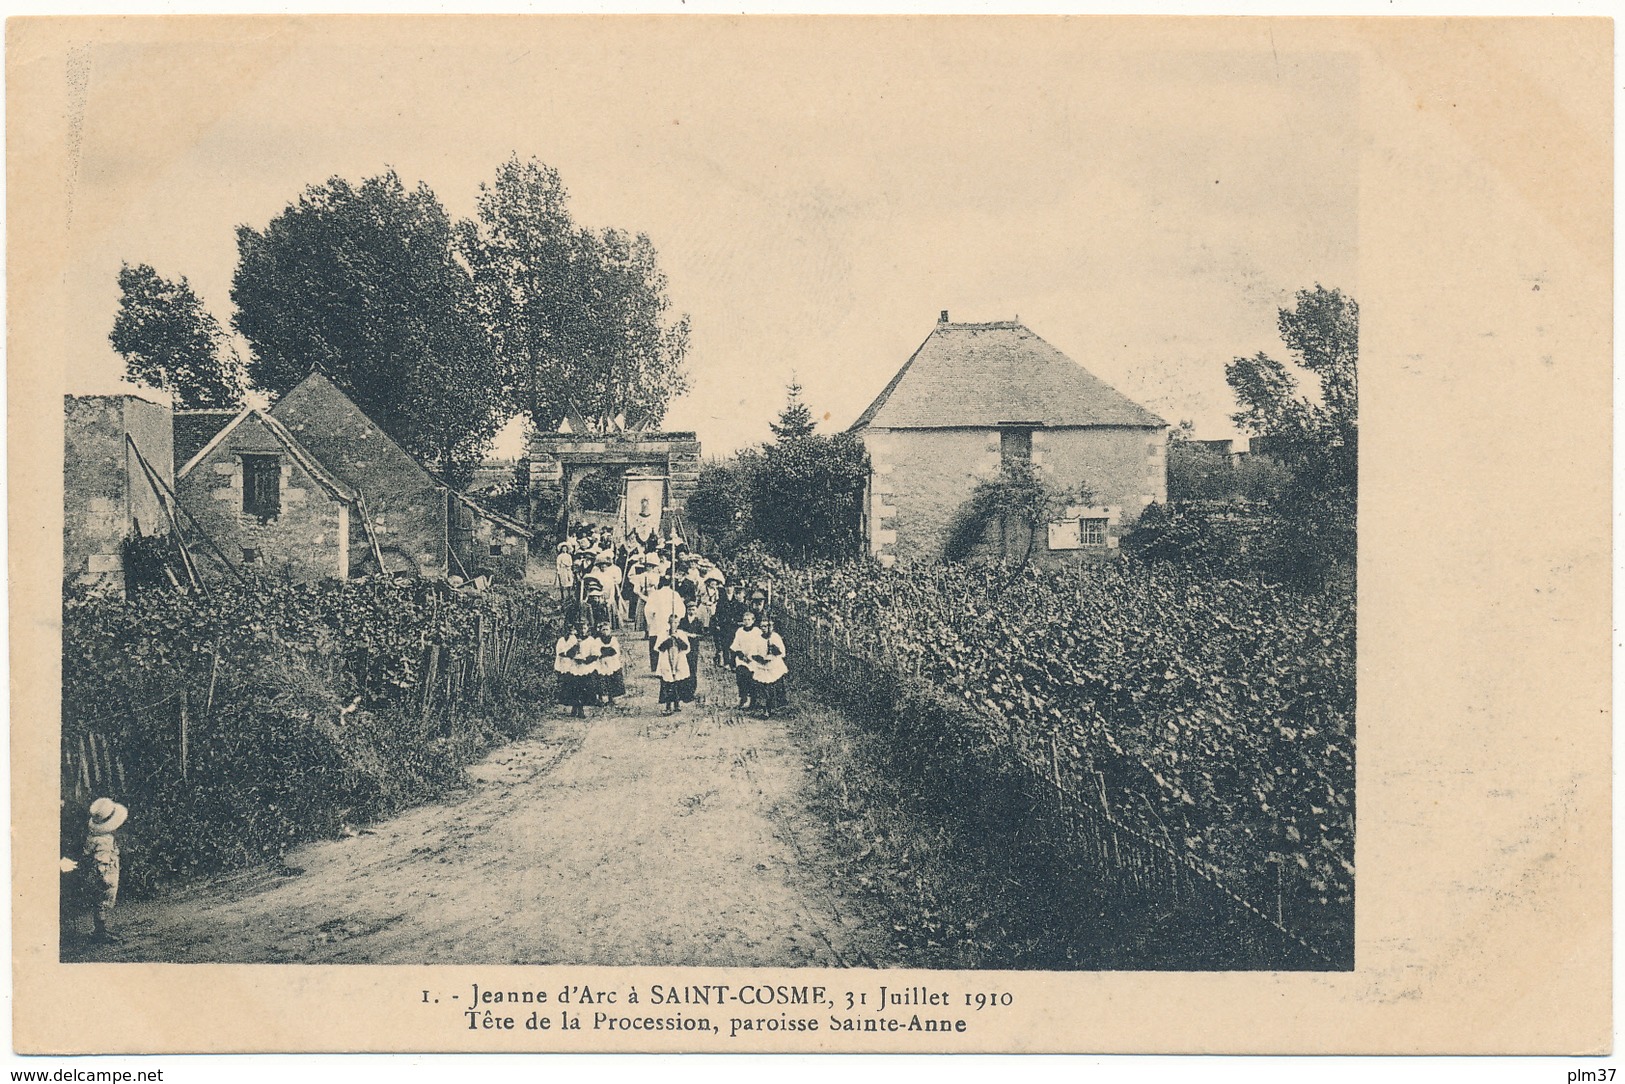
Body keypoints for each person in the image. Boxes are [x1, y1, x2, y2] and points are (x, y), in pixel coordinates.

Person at [81, 797, 128, 944]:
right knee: (102, 900)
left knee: (99, 902)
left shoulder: (93, 837)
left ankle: (100, 929)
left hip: (96, 871)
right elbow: (101, 860)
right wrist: (104, 878)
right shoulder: (105, 840)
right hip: (105, 873)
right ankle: (100, 932)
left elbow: (87, 852)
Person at [554, 615, 599, 718]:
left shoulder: (591, 640)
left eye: (584, 628)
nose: (582, 631)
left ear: (588, 629)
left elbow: (595, 654)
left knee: (584, 688)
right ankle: (574, 708)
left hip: (585, 667)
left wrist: (586, 660)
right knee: (574, 688)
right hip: (574, 666)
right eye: (580, 628)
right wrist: (575, 647)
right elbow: (568, 653)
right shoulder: (573, 640)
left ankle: (581, 709)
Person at [750, 616, 789, 717]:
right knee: (763, 687)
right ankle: (765, 709)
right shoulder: (757, 638)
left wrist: (775, 650)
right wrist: (760, 659)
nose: (764, 628)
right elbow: (753, 652)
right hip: (762, 666)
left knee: (775, 686)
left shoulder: (775, 637)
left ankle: (776, 708)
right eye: (762, 626)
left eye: (766, 626)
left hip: (774, 665)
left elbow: (782, 653)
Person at [653, 613, 692, 715]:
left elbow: (686, 648)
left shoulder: (681, 633)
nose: (673, 625)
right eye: (671, 622)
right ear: (668, 623)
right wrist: (668, 641)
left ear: (678, 623)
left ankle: (677, 703)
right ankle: (668, 705)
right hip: (667, 660)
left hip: (678, 660)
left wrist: (678, 639)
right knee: (667, 682)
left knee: (677, 682)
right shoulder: (663, 634)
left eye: (675, 622)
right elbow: (658, 648)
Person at [729, 608, 765, 711]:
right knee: (741, 676)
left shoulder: (757, 631)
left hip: (754, 659)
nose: (747, 621)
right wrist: (741, 655)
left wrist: (754, 657)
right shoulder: (740, 631)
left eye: (749, 619)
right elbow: (736, 645)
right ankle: (743, 697)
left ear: (753, 620)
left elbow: (761, 645)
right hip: (742, 659)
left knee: (752, 680)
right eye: (745, 619)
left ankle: (753, 701)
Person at [675, 598, 705, 705]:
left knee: (692, 669)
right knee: (683, 668)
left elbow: (702, 634)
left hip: (694, 649)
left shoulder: (699, 622)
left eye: (693, 609)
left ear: (696, 610)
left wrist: (694, 635)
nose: (691, 611)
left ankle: (690, 693)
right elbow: (678, 631)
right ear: (686, 610)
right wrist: (686, 634)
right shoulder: (682, 621)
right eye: (689, 609)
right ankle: (682, 693)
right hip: (683, 648)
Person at [592, 618, 625, 707]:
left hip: (612, 662)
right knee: (602, 680)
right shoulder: (597, 640)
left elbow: (615, 651)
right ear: (600, 631)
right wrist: (606, 651)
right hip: (601, 663)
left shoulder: (613, 639)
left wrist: (604, 650)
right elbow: (597, 652)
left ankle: (612, 698)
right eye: (603, 630)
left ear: (610, 630)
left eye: (607, 629)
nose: (605, 632)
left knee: (613, 679)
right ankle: (602, 699)